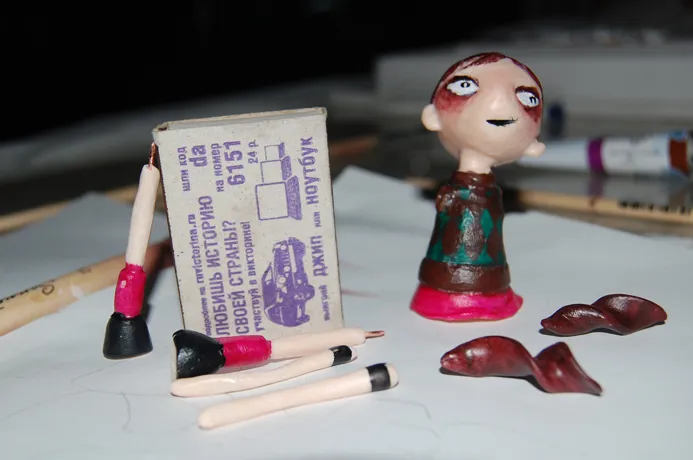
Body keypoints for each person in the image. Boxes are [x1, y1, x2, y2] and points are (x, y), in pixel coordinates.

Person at [410, 52, 545, 322]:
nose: (500, 100)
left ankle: (485, 294)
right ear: (432, 116)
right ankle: (451, 295)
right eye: (465, 86)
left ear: (534, 144)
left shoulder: (488, 193)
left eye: (528, 98)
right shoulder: (459, 191)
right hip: (445, 267)